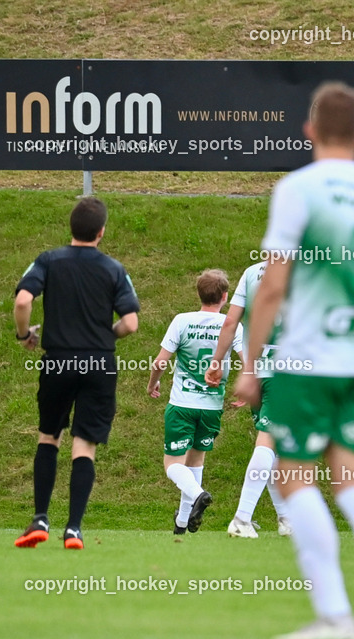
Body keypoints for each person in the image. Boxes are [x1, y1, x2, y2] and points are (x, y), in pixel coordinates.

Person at [235, 81, 354, 639]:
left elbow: (273, 286)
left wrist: (250, 364)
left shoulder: (299, 189)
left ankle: (335, 615)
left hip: (306, 360)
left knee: (295, 478)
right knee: (352, 480)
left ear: (310, 131)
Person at [13, 197, 140, 550]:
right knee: (84, 445)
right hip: (99, 363)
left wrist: (24, 335)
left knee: (49, 436)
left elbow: (23, 300)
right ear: (101, 232)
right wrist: (104, 336)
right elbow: (131, 323)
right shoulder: (114, 269)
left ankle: (40, 519)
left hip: (58, 360)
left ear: (71, 227)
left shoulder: (48, 261)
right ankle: (73, 530)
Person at [148, 269, 243, 534]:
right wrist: (245, 389)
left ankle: (198, 494)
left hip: (182, 404)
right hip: (211, 407)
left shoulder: (182, 321)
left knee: (173, 464)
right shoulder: (232, 325)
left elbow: (160, 362)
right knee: (196, 460)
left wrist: (153, 383)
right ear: (225, 297)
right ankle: (182, 522)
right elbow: (248, 362)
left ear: (199, 293)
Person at [204, 260, 291, 539]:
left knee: (273, 446)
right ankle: (242, 518)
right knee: (268, 442)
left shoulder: (252, 272)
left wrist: (216, 362)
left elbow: (231, 322)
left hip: (258, 371)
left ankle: (286, 519)